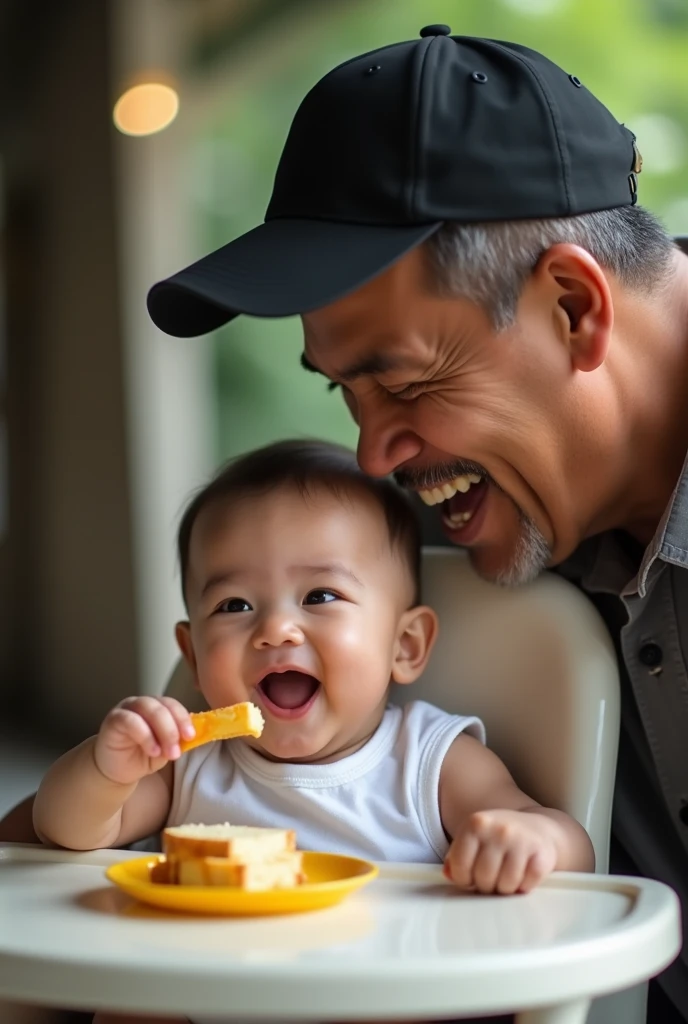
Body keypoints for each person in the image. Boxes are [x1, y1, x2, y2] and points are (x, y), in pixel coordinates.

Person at [143, 25, 688, 1024]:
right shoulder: (402, 533)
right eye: (346, 393)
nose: (373, 455)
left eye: (400, 381)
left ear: (572, 306)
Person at [33, 439, 593, 1024]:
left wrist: (530, 843)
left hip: (381, 1002)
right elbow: (70, 832)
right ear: (194, 659)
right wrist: (107, 770)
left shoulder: (430, 762)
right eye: (232, 605)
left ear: (404, 646)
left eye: (320, 596)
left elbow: (571, 846)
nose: (276, 629)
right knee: (135, 1004)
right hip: (212, 1000)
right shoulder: (188, 764)